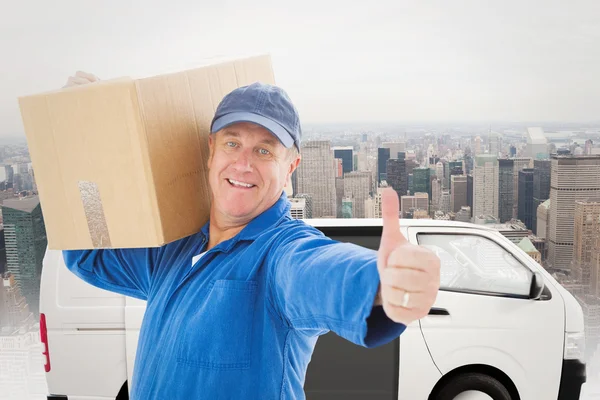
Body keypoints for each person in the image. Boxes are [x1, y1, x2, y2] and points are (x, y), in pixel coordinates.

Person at [62, 70, 441, 399]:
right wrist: (85, 138)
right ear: (211, 151)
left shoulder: (280, 254)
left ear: (290, 166)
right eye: (232, 143)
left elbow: (321, 271)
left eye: (263, 150)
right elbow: (87, 252)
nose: (242, 164)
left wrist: (382, 279)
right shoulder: (170, 256)